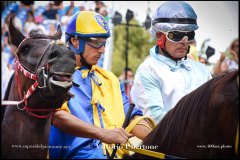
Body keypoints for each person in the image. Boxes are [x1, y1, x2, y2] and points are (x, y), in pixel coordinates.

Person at [49, 11, 153, 159]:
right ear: (75, 41)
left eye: (104, 43)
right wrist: (104, 134)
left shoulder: (110, 79)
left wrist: (162, 140)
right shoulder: (56, 76)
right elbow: (58, 117)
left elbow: (131, 117)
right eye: (96, 42)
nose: (102, 50)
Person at [131, 1, 212, 124]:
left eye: (189, 34)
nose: (184, 41)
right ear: (159, 36)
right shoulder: (148, 70)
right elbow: (155, 117)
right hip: (164, 143)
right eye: (176, 35)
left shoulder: (202, 70)